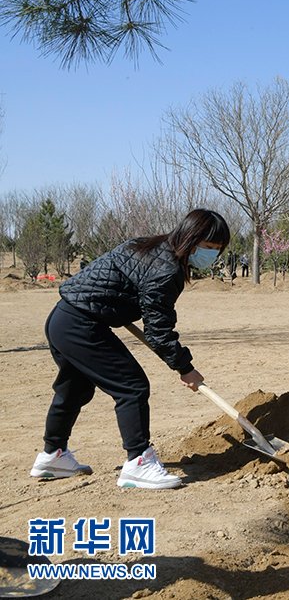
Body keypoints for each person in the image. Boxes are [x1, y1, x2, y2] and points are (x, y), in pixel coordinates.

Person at [30, 209, 230, 489]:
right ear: (190, 238)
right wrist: (185, 368)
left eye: (217, 250)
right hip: (81, 323)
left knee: (74, 389)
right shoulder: (166, 269)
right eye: (208, 247)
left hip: (63, 318)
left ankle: (53, 455)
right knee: (132, 386)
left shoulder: (149, 245)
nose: (212, 255)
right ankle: (138, 462)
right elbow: (158, 330)